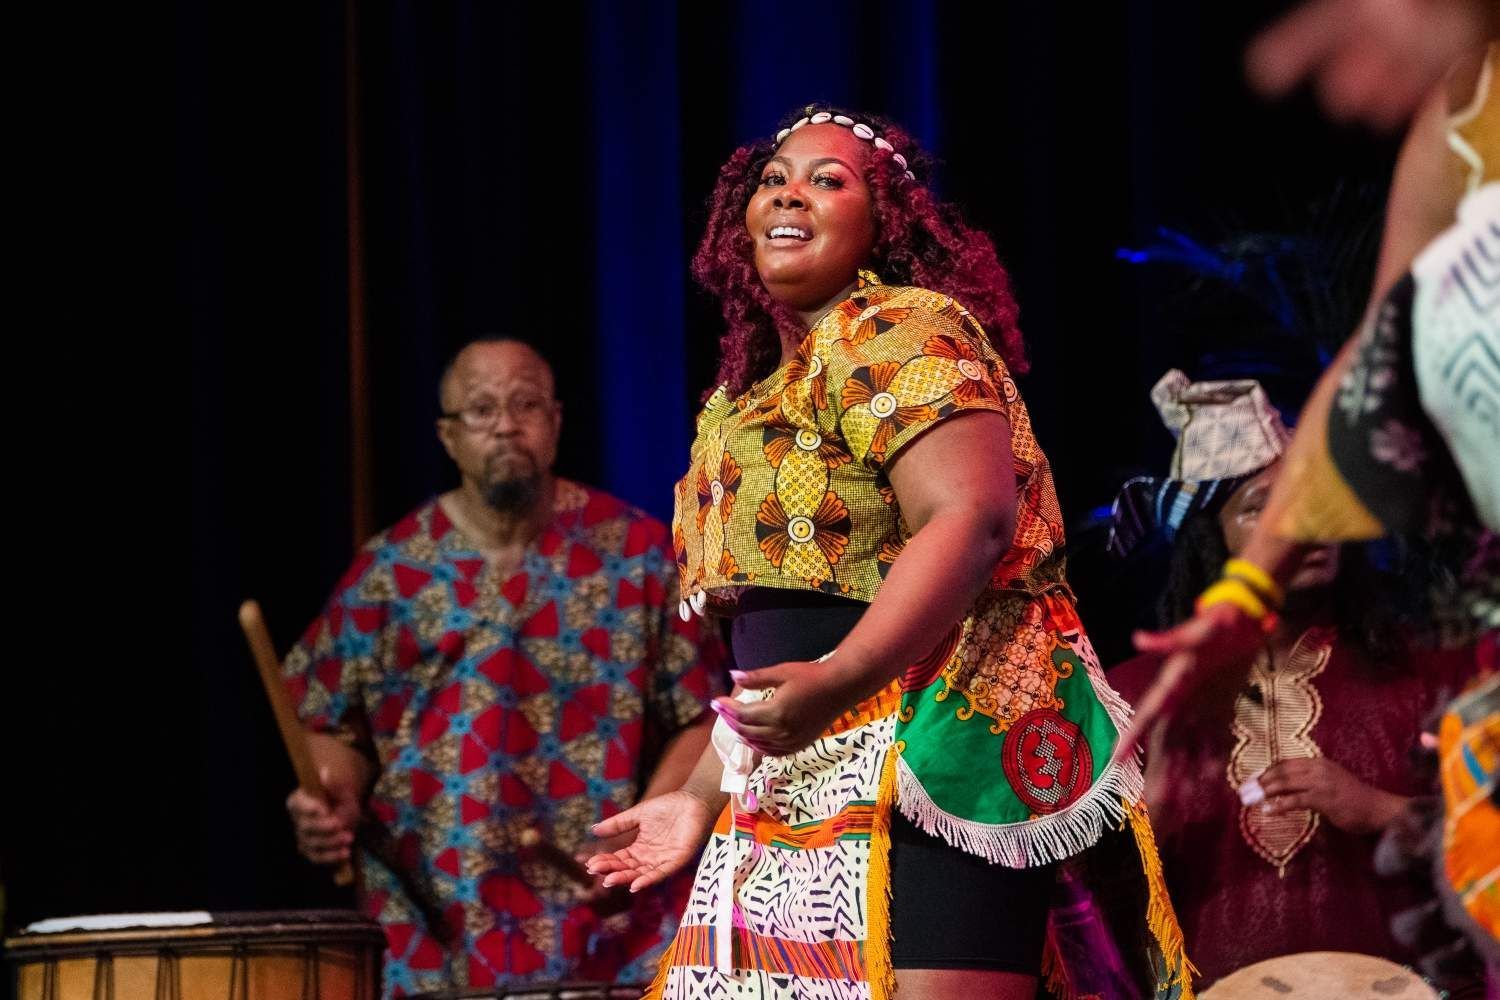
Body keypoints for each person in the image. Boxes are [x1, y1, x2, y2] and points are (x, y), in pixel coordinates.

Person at [586, 107, 1192, 1000]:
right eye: (774, 178)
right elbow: (781, 639)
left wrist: (840, 678)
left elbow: (971, 517)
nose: (790, 192)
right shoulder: (749, 395)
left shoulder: (900, 328)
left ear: (886, 224)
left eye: (829, 180)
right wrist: (704, 794)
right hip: (797, 778)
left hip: (927, 754)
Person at [281, 338, 725, 997]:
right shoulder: (390, 571)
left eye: (526, 404)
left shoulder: (637, 553)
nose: (506, 424)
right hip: (433, 921)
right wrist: (331, 796)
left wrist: (652, 818)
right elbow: (330, 724)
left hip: (606, 919)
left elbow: (701, 712)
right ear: (447, 436)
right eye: (481, 409)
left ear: (556, 422)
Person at [1109, 370, 1477, 987]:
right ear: (1210, 538)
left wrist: (1381, 811)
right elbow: (1075, 903)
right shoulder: (1135, 696)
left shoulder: (1424, 669)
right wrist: (1150, 816)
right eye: (1262, 508)